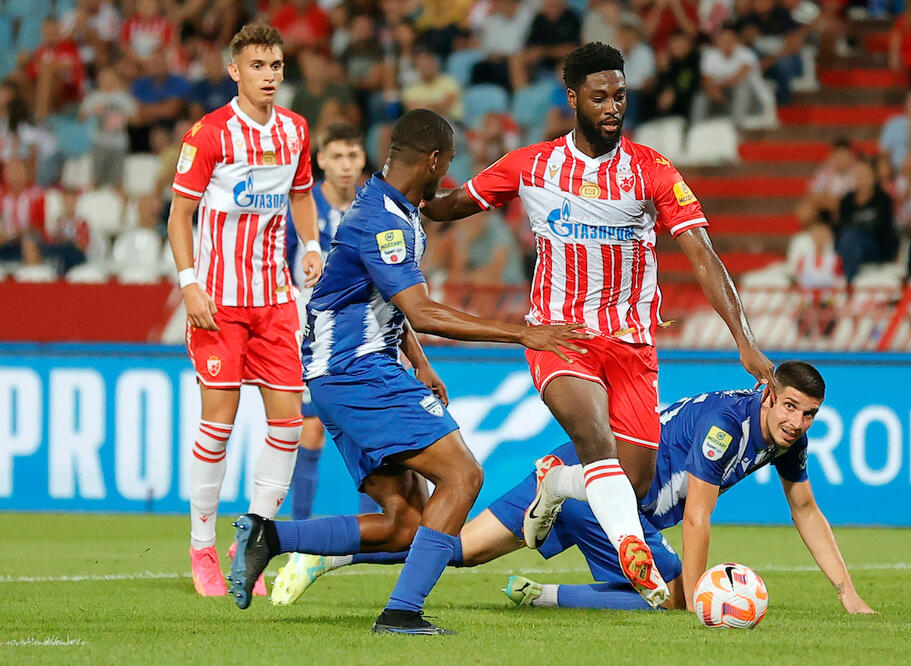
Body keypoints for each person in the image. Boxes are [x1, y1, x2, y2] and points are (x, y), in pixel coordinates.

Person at [421, 42, 776, 609]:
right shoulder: (531, 164)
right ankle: (631, 547)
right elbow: (453, 205)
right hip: (560, 336)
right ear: (573, 98)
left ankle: (554, 483)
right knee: (593, 437)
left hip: (632, 344)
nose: (613, 106)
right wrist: (401, 198)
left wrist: (746, 342)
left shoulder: (650, 170)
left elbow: (704, 256)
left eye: (620, 95)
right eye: (600, 96)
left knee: (630, 481)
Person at [226, 108, 589, 635]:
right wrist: (523, 333)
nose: (448, 178)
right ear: (436, 159)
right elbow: (422, 310)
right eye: (449, 165)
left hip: (350, 372)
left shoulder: (390, 210)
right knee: (463, 476)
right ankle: (401, 613)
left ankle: (268, 539)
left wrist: (421, 364)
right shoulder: (383, 223)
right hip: (356, 372)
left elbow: (387, 305)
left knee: (404, 525)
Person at [270, 362, 876, 616]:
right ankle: (549, 573)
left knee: (454, 550)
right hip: (610, 492)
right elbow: (696, 517)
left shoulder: (785, 440)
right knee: (664, 596)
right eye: (790, 407)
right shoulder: (726, 425)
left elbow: (806, 508)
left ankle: (330, 554)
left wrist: (847, 589)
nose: (797, 422)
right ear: (767, 394)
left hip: (585, 474)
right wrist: (694, 601)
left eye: (809, 415)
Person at [166, 23, 323, 599]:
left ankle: (251, 538)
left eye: (277, 66)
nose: (270, 76)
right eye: (258, 66)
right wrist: (189, 284)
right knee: (219, 424)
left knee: (286, 423)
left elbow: (302, 194)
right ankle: (202, 546)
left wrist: (309, 246)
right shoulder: (209, 134)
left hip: (276, 303)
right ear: (235, 71)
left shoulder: (295, 130)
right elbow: (179, 215)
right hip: (219, 303)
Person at [283, 122, 366, 526]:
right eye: (337, 157)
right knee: (310, 429)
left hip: (366, 328)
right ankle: (299, 526)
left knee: (370, 428)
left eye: (352, 156)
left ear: (363, 159)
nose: (345, 166)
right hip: (310, 329)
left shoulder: (372, 205)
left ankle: (381, 528)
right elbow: (280, 263)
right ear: (320, 161)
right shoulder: (302, 208)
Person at [834, 158, 898, 283]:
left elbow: (887, 229)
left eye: (865, 175)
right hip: (852, 247)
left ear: (873, 177)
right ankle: (847, 281)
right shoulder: (846, 201)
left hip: (875, 246)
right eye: (858, 176)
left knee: (850, 238)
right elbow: (840, 228)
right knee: (850, 240)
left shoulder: (883, 199)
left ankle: (847, 283)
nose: (862, 180)